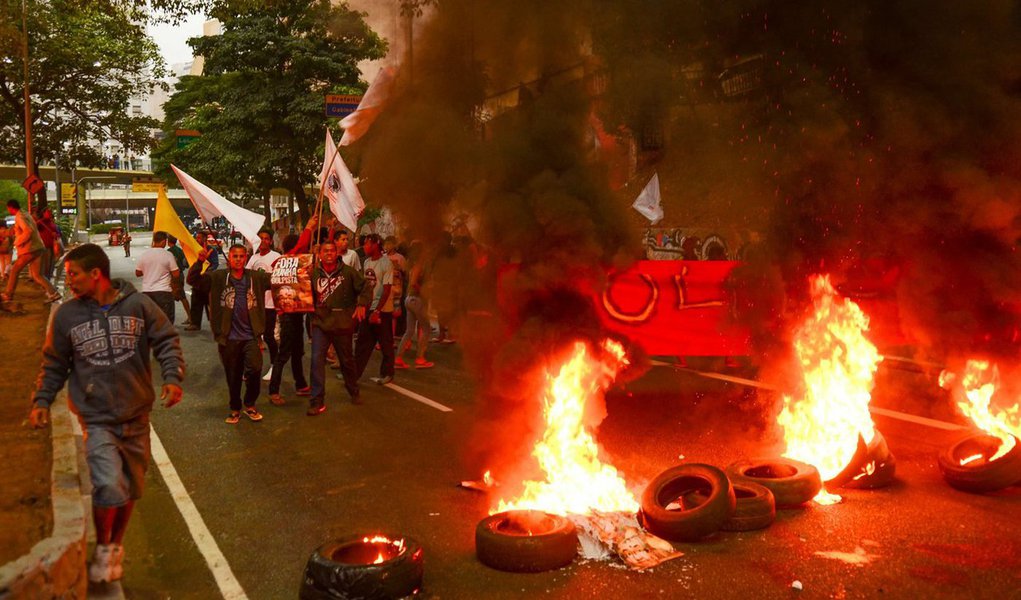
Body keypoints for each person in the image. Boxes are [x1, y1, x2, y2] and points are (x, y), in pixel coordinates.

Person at [28, 243, 184, 584]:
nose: (69, 282)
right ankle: (102, 547)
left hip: (136, 413)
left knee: (130, 488)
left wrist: (172, 378)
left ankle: (114, 545)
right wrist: (42, 400)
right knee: (108, 486)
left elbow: (166, 340)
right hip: (96, 417)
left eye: (74, 275)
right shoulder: (67, 315)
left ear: (95, 274)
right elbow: (55, 363)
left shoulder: (138, 305)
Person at [188, 244, 271, 424]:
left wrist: (301, 267)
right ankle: (235, 408)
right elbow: (193, 280)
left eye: (242, 256)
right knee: (233, 375)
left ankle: (250, 404)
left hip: (251, 337)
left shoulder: (255, 278)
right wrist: (199, 262)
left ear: (246, 258)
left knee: (255, 369)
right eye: (235, 256)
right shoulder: (217, 277)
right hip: (229, 338)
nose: (239, 259)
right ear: (229, 259)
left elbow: (278, 279)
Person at [308, 239, 371, 415]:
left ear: (337, 253)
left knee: (346, 361)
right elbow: (302, 294)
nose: (328, 254)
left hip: (343, 323)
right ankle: (316, 400)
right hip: (321, 323)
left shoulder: (349, 273)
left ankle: (354, 391)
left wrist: (362, 305)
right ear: (319, 254)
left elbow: (366, 287)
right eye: (325, 251)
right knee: (316, 361)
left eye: (332, 251)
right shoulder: (313, 274)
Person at [267, 234, 311, 405]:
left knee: (297, 352)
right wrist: (310, 228)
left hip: (297, 315)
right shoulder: (284, 262)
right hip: (288, 316)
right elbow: (298, 248)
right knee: (283, 354)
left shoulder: (293, 264)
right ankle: (273, 391)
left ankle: (300, 384)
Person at [355, 234, 396, 385]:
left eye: (367, 244)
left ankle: (388, 373)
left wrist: (377, 311)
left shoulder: (386, 263)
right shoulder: (366, 262)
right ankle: (354, 374)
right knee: (362, 343)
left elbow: (386, 289)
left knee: (385, 343)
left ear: (375, 245)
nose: (364, 247)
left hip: (382, 311)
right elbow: (366, 286)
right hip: (368, 308)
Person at [2, 199, 60, 304]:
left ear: (10, 208)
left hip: (29, 249)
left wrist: (18, 242)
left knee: (14, 270)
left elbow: (28, 230)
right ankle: (53, 293)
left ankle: (8, 295)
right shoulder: (25, 214)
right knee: (38, 275)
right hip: (38, 248)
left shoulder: (20, 217)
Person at [246, 229, 281, 380]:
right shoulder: (253, 258)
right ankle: (252, 369)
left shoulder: (277, 257)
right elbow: (246, 277)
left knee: (269, 336)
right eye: (261, 238)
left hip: (271, 304)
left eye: (267, 238)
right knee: (253, 336)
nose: (263, 241)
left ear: (271, 241)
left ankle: (275, 366)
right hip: (255, 304)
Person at [395, 241, 434, 369]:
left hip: (409, 299)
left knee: (409, 330)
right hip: (416, 299)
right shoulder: (419, 265)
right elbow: (413, 283)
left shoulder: (411, 265)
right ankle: (420, 358)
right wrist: (422, 290)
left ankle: (399, 358)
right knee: (426, 328)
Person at [134, 231, 180, 323]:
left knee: (150, 321)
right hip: (164, 292)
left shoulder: (144, 255)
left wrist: (149, 270)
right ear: (163, 241)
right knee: (166, 322)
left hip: (147, 292)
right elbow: (176, 274)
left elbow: (138, 273)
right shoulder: (168, 255)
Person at [185, 231, 218, 330]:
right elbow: (187, 263)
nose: (197, 239)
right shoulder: (194, 250)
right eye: (197, 237)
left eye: (199, 237)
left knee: (211, 303)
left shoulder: (211, 250)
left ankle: (216, 323)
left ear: (204, 239)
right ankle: (195, 323)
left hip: (207, 280)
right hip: (197, 279)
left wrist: (207, 271)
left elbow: (215, 264)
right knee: (196, 302)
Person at [384, 235, 407, 341]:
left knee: (394, 314)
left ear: (394, 245)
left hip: (396, 288)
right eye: (385, 244)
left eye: (389, 244)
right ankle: (384, 338)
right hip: (384, 288)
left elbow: (405, 274)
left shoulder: (400, 258)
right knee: (384, 313)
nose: (386, 246)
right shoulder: (382, 257)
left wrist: (399, 272)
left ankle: (391, 337)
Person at [166, 236, 192, 326]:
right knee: (181, 296)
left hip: (173, 276)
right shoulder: (180, 251)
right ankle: (190, 316)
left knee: (175, 296)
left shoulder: (169, 252)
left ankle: (190, 317)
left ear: (168, 242)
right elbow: (186, 263)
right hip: (180, 274)